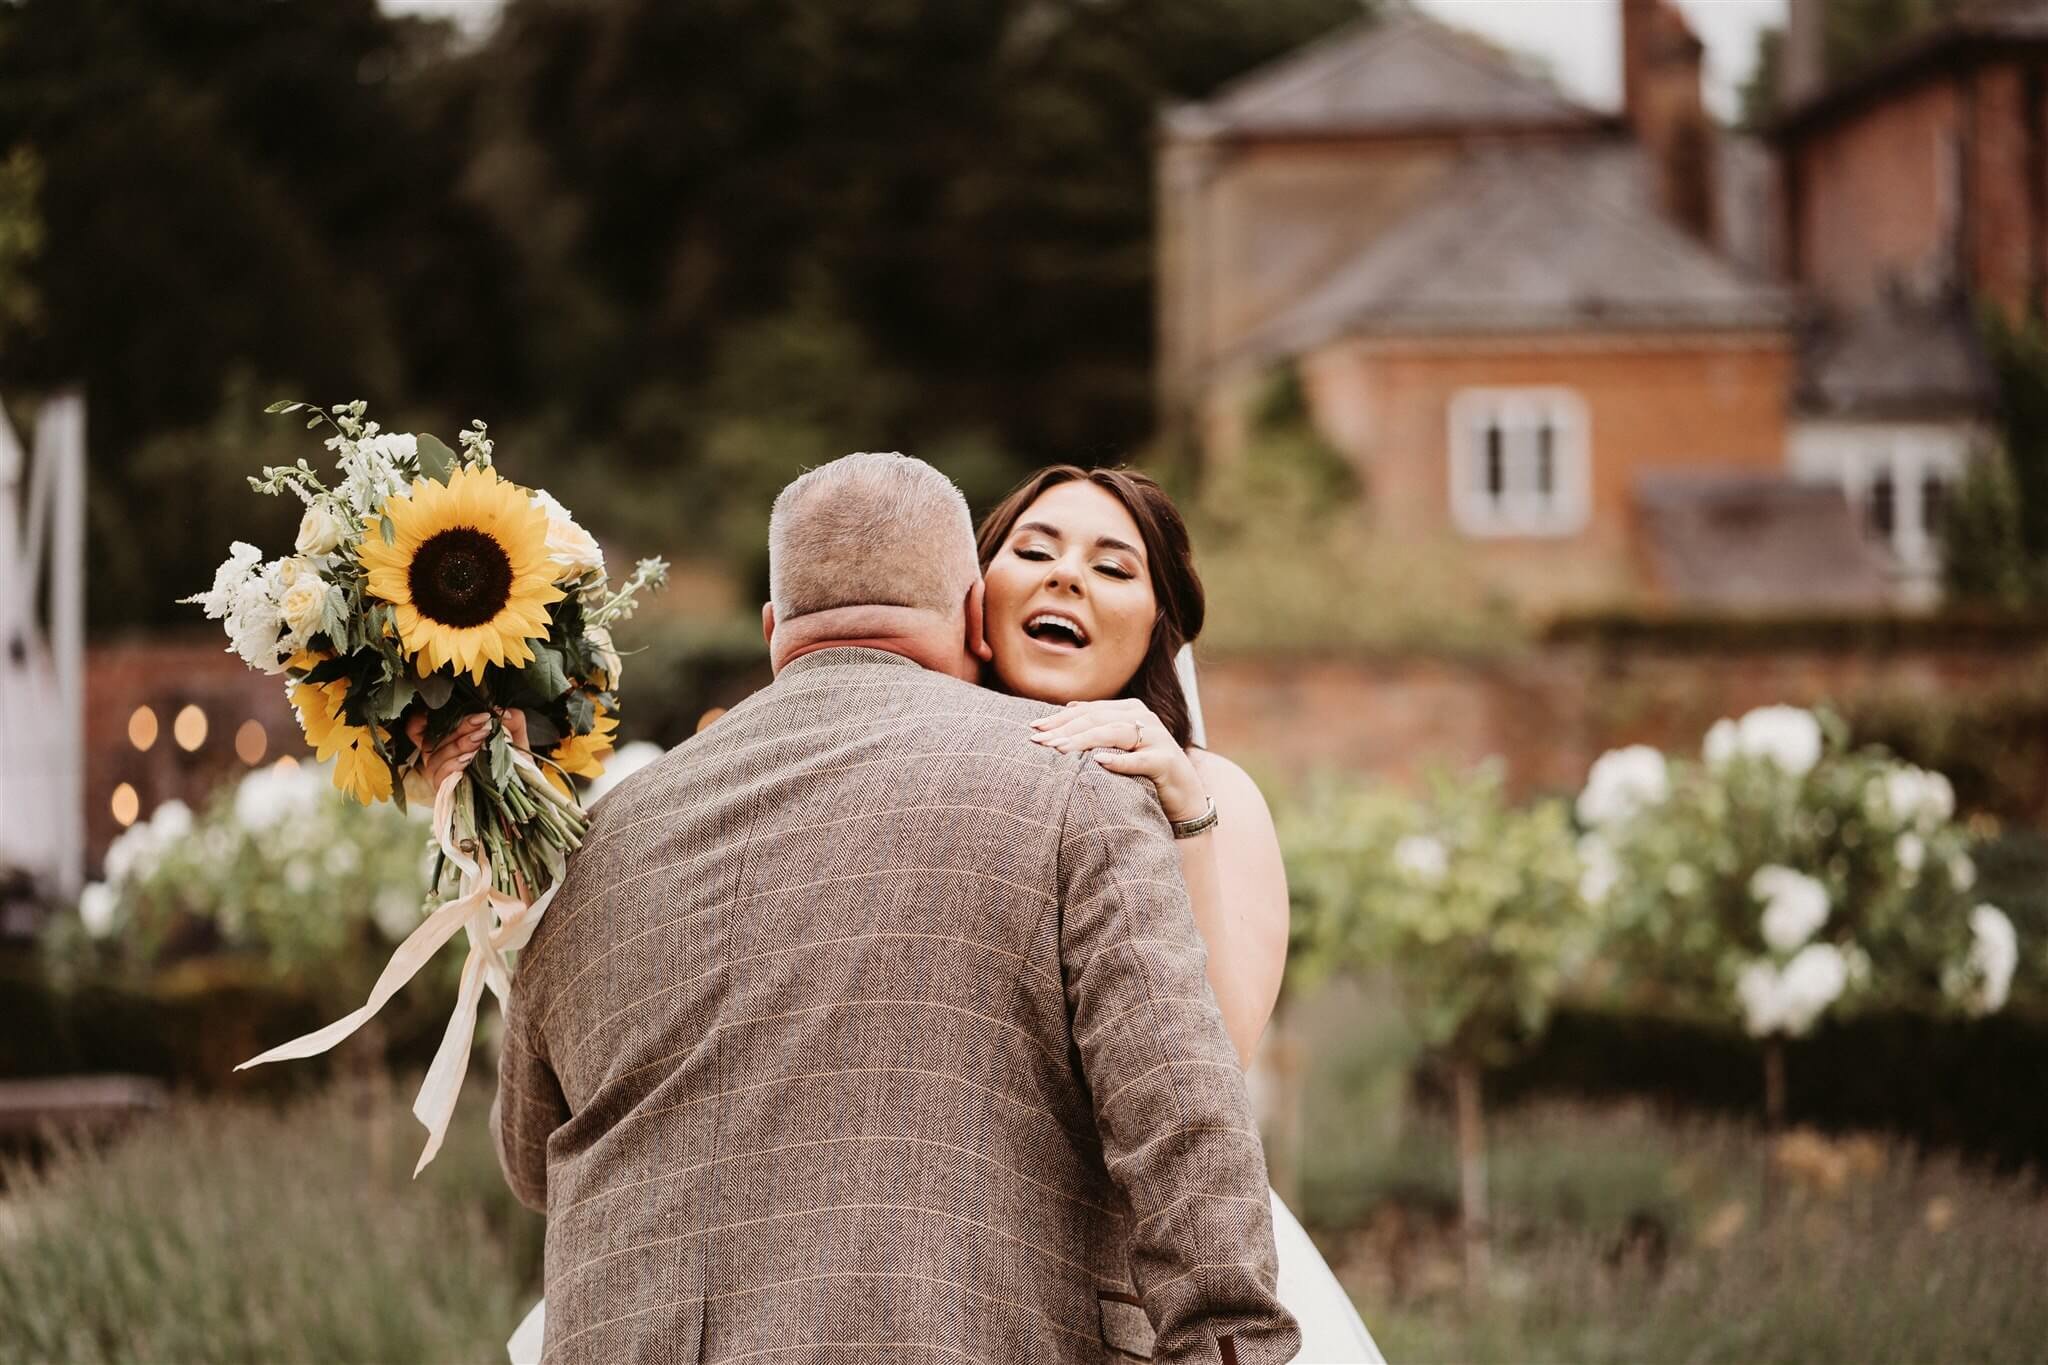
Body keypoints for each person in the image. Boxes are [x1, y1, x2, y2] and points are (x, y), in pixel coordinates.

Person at [485, 452, 1300, 1364]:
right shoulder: (1075, 793)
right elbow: (1184, 1123)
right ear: (974, 611)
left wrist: (1189, 812)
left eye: (1114, 566)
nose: (1069, 575)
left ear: (771, 630)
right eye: (1036, 550)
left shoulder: (595, 840)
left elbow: (532, 1158)